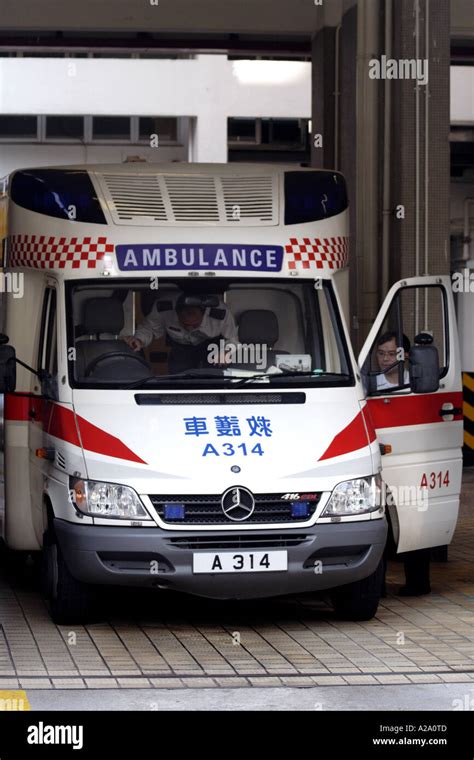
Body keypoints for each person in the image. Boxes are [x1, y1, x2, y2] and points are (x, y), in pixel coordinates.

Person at [125, 294, 238, 374]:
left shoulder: (220, 313)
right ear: (177, 314)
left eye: (194, 325)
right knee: (178, 379)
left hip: (211, 347)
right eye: (184, 324)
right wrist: (139, 340)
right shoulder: (165, 309)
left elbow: (233, 339)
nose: (189, 328)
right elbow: (148, 328)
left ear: (204, 314)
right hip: (180, 347)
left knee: (212, 380)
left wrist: (226, 351)